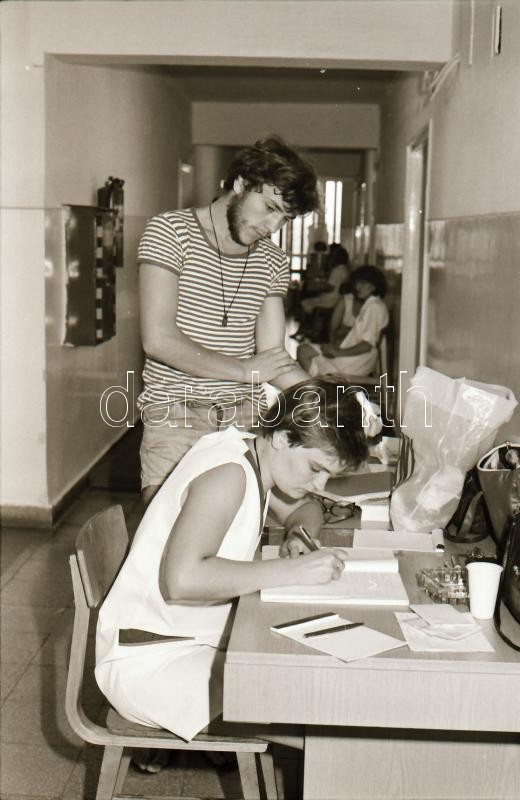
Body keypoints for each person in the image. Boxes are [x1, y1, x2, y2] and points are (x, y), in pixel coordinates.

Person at [95, 379, 372, 743]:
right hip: (150, 664)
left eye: (328, 476)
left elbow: (305, 509)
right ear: (283, 438)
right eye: (315, 469)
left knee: (323, 693)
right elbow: (181, 580)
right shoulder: (227, 475)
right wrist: (291, 570)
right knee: (322, 720)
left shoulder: (252, 454)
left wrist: (297, 535)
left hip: (189, 640)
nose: (320, 485)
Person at [137, 135, 320, 505]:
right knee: (169, 528)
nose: (272, 226)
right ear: (240, 183)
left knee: (241, 527)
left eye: (284, 218)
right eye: (269, 207)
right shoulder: (170, 232)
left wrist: (336, 401)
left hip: (244, 420)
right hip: (176, 416)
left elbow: (273, 359)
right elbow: (158, 339)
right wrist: (244, 370)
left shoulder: (272, 260)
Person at [297, 265, 389, 379]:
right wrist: (336, 346)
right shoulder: (372, 305)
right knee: (304, 350)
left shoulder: (374, 307)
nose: (357, 287)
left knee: (303, 352)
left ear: (373, 286)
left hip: (355, 363)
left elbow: (366, 346)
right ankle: (318, 382)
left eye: (363, 283)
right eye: (357, 283)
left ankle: (320, 383)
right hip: (352, 358)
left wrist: (337, 352)